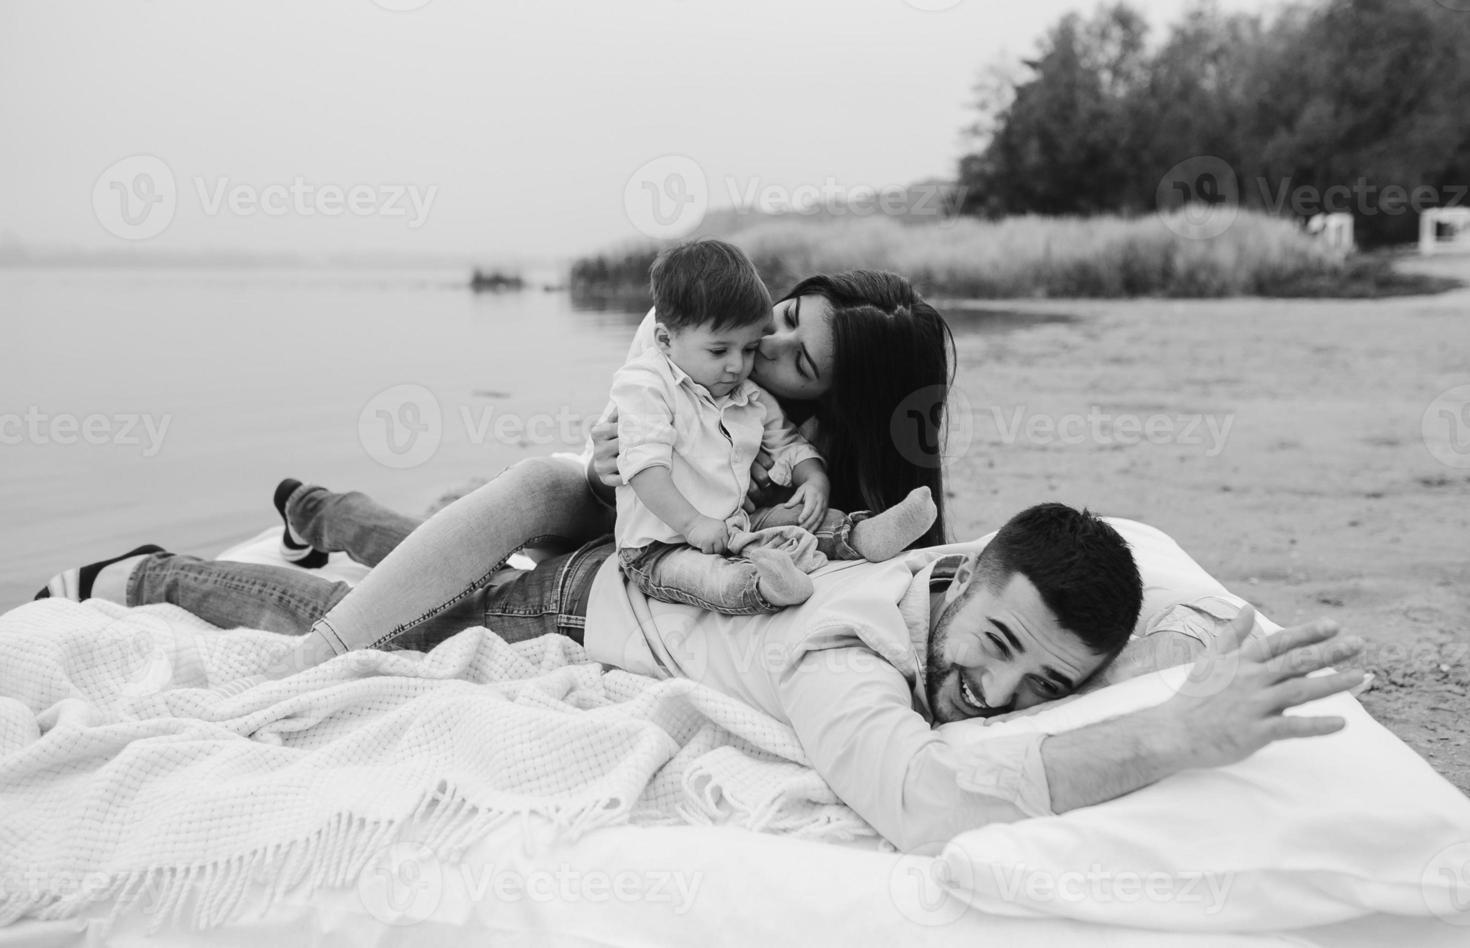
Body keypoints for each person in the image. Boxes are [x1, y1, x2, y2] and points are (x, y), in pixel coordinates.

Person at [34, 501, 1367, 851]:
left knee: (411, 532)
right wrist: (1164, 743)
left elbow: (1140, 592)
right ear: (959, 588)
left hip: (645, 558)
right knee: (334, 607)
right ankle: (151, 571)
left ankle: (332, 497)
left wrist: (1198, 657)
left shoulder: (990, 577)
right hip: (569, 595)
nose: (1000, 695)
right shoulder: (839, 650)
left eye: (1045, 683)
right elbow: (919, 805)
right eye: (996, 650)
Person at [41, 263, 957, 667]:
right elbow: (634, 438)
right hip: (609, 511)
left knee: (423, 560)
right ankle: (145, 576)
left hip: (630, 573)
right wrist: (609, 464)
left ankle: (317, 510)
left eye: (797, 360)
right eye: (785, 319)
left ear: (842, 405)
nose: (767, 350)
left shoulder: (821, 470)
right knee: (436, 578)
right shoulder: (709, 348)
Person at [609, 239, 938, 614]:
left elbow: (788, 441)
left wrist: (815, 480)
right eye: (789, 317)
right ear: (666, 340)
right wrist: (689, 520)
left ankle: (862, 535)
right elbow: (640, 467)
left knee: (801, 517)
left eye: (800, 363)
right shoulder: (664, 356)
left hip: (735, 521)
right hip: (660, 541)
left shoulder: (745, 393)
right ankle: (763, 586)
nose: (752, 355)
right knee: (705, 576)